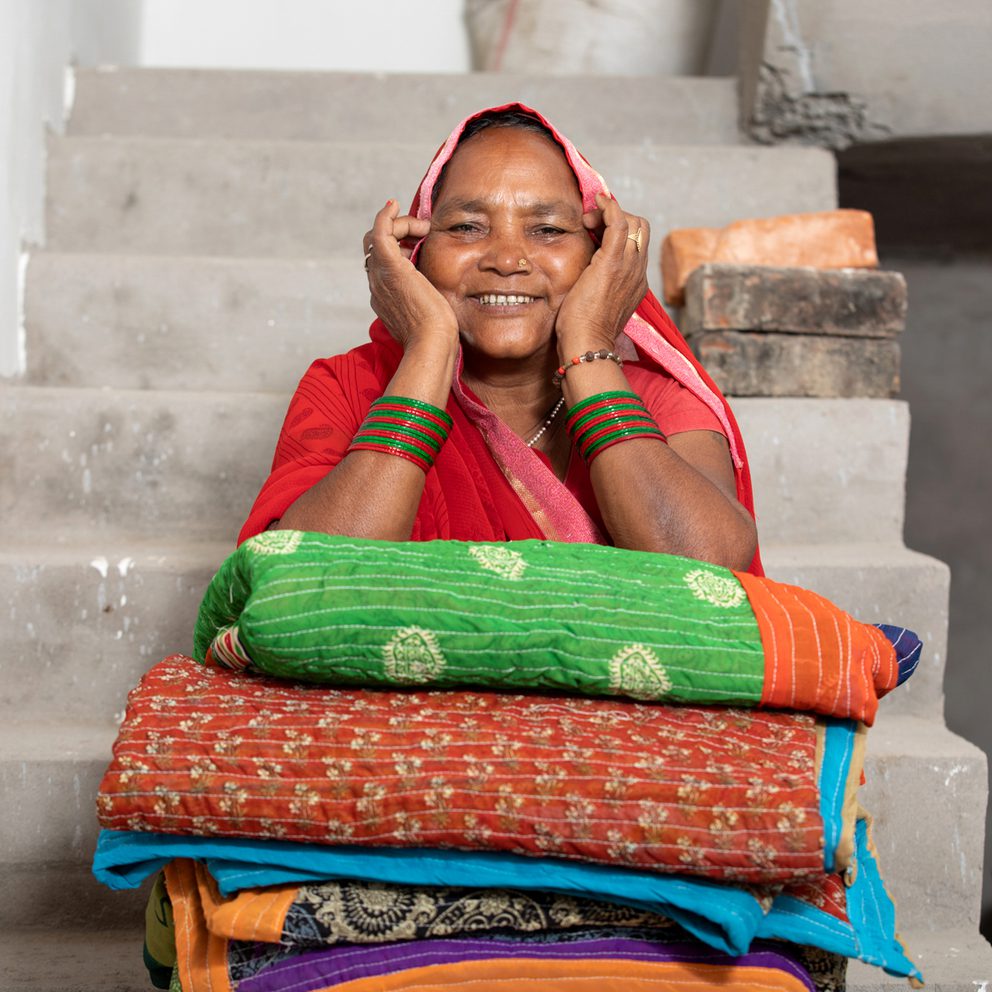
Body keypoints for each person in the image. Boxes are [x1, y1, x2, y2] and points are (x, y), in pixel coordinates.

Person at [239, 104, 761, 575]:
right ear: (413, 251)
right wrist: (428, 351)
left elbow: (708, 572)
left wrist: (588, 345)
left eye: (549, 230)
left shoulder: (658, 397)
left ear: (603, 255)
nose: (507, 259)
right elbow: (300, 577)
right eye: (467, 227)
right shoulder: (348, 386)